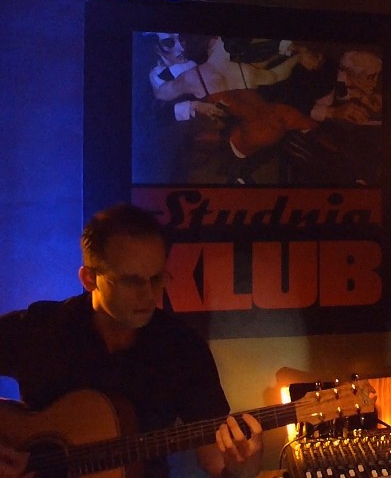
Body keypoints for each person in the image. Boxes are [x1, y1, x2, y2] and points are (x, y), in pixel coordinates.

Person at [0, 203, 263, 478]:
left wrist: (240, 470)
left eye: (156, 278)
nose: (148, 294)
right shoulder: (41, 327)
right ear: (90, 279)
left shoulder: (181, 347)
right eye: (130, 281)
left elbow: (214, 457)